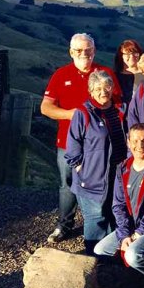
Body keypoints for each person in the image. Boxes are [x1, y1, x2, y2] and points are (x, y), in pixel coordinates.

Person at [41, 33, 121, 244]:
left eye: (88, 50)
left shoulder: (105, 73)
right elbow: (46, 107)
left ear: (94, 51)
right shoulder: (61, 75)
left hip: (101, 144)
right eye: (78, 50)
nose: (83, 54)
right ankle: (64, 225)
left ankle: (101, 226)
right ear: (71, 52)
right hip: (68, 143)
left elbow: (118, 105)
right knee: (67, 184)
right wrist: (75, 115)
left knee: (104, 182)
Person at [94, 123, 144, 280]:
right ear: (128, 143)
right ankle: (135, 270)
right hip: (131, 227)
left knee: (133, 255)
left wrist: (135, 236)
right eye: (135, 141)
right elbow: (118, 205)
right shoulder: (123, 168)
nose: (140, 145)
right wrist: (124, 235)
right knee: (100, 250)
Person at [64, 70, 127, 254]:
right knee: (96, 216)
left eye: (107, 86)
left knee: (115, 212)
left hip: (118, 173)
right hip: (92, 176)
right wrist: (79, 165)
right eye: (98, 88)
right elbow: (73, 143)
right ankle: (92, 258)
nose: (103, 92)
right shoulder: (83, 113)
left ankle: (110, 254)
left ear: (112, 87)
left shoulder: (121, 109)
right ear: (91, 91)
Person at [113, 39, 144, 111]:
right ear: (121, 56)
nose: (132, 56)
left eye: (135, 53)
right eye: (127, 54)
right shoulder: (114, 77)